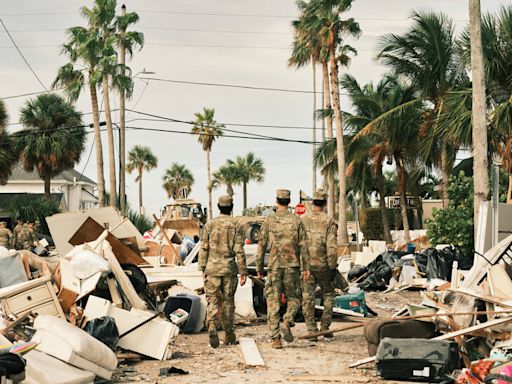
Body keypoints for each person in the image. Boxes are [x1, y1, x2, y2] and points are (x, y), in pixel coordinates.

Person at [256, 189, 310, 349]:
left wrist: (260, 267)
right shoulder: (297, 221)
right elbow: (304, 246)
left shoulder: (269, 221)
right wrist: (306, 267)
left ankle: (276, 339)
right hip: (292, 267)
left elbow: (261, 246)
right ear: (289, 202)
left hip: (274, 266)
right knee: (294, 298)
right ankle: (287, 321)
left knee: (273, 301)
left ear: (276, 201)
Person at [199, 195, 248, 348]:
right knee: (228, 302)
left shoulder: (209, 225)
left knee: (212, 300)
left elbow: (204, 247)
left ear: (219, 206)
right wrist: (243, 271)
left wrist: (202, 268)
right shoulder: (235, 225)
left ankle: (212, 324)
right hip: (229, 269)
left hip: (212, 268)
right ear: (231, 207)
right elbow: (239, 250)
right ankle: (228, 334)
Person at [301, 189, 338, 339]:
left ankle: (312, 331)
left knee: (307, 297)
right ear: (324, 203)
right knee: (328, 295)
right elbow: (332, 247)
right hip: (324, 266)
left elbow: (299, 244)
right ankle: (325, 327)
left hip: (307, 267)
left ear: (312, 202)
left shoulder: (303, 219)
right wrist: (332, 266)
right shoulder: (329, 221)